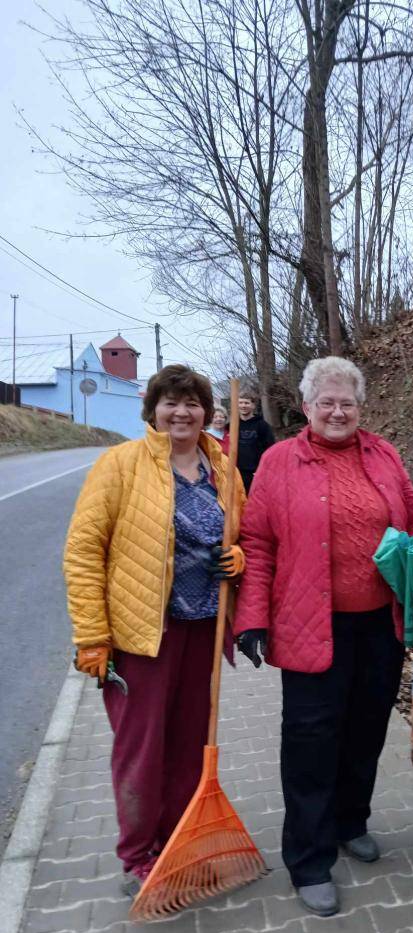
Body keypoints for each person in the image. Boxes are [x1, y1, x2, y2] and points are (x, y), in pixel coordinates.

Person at [235, 356, 413, 917]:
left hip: (379, 623)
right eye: (327, 401)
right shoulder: (279, 462)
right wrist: (251, 616)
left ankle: (352, 821)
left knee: (367, 728)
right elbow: (257, 543)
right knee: (310, 741)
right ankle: (309, 858)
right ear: (306, 407)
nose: (338, 410)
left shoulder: (384, 453)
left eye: (347, 401)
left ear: (360, 406)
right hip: (308, 624)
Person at [63, 364, 246, 896]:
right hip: (142, 635)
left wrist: (239, 557)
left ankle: (178, 839)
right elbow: (82, 552)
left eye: (192, 403)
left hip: (204, 630)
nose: (181, 412)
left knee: (191, 743)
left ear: (206, 413)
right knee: (142, 748)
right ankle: (138, 852)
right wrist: (92, 636)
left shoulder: (223, 467)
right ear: (153, 410)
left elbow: (247, 532)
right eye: (170, 402)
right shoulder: (120, 465)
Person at [229, 387, 275, 494]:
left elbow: (270, 450)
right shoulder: (232, 425)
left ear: (253, 405)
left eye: (246, 403)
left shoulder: (262, 425)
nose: (243, 406)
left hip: (255, 473)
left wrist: (262, 469)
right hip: (236, 472)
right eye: (240, 403)